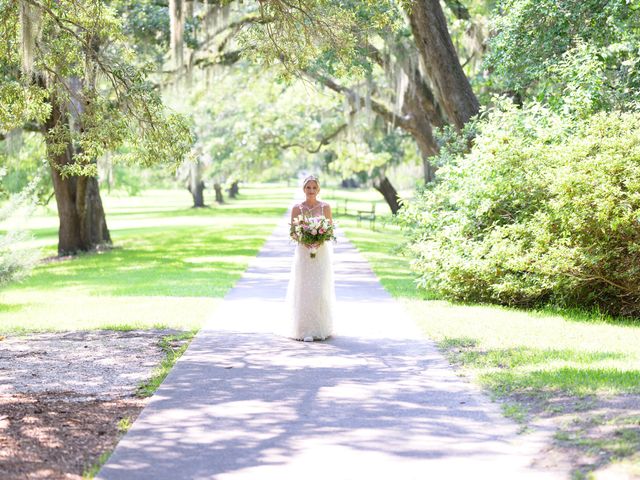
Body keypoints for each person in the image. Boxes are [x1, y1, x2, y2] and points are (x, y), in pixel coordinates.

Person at [286, 175, 335, 342]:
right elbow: (293, 232)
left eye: (314, 188)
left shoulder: (325, 207)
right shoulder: (297, 208)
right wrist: (306, 243)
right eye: (308, 188)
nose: (311, 191)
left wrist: (319, 242)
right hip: (303, 253)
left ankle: (320, 327)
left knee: (319, 289)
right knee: (304, 288)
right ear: (303, 189)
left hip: (321, 254)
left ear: (319, 189)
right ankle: (304, 329)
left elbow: (330, 232)